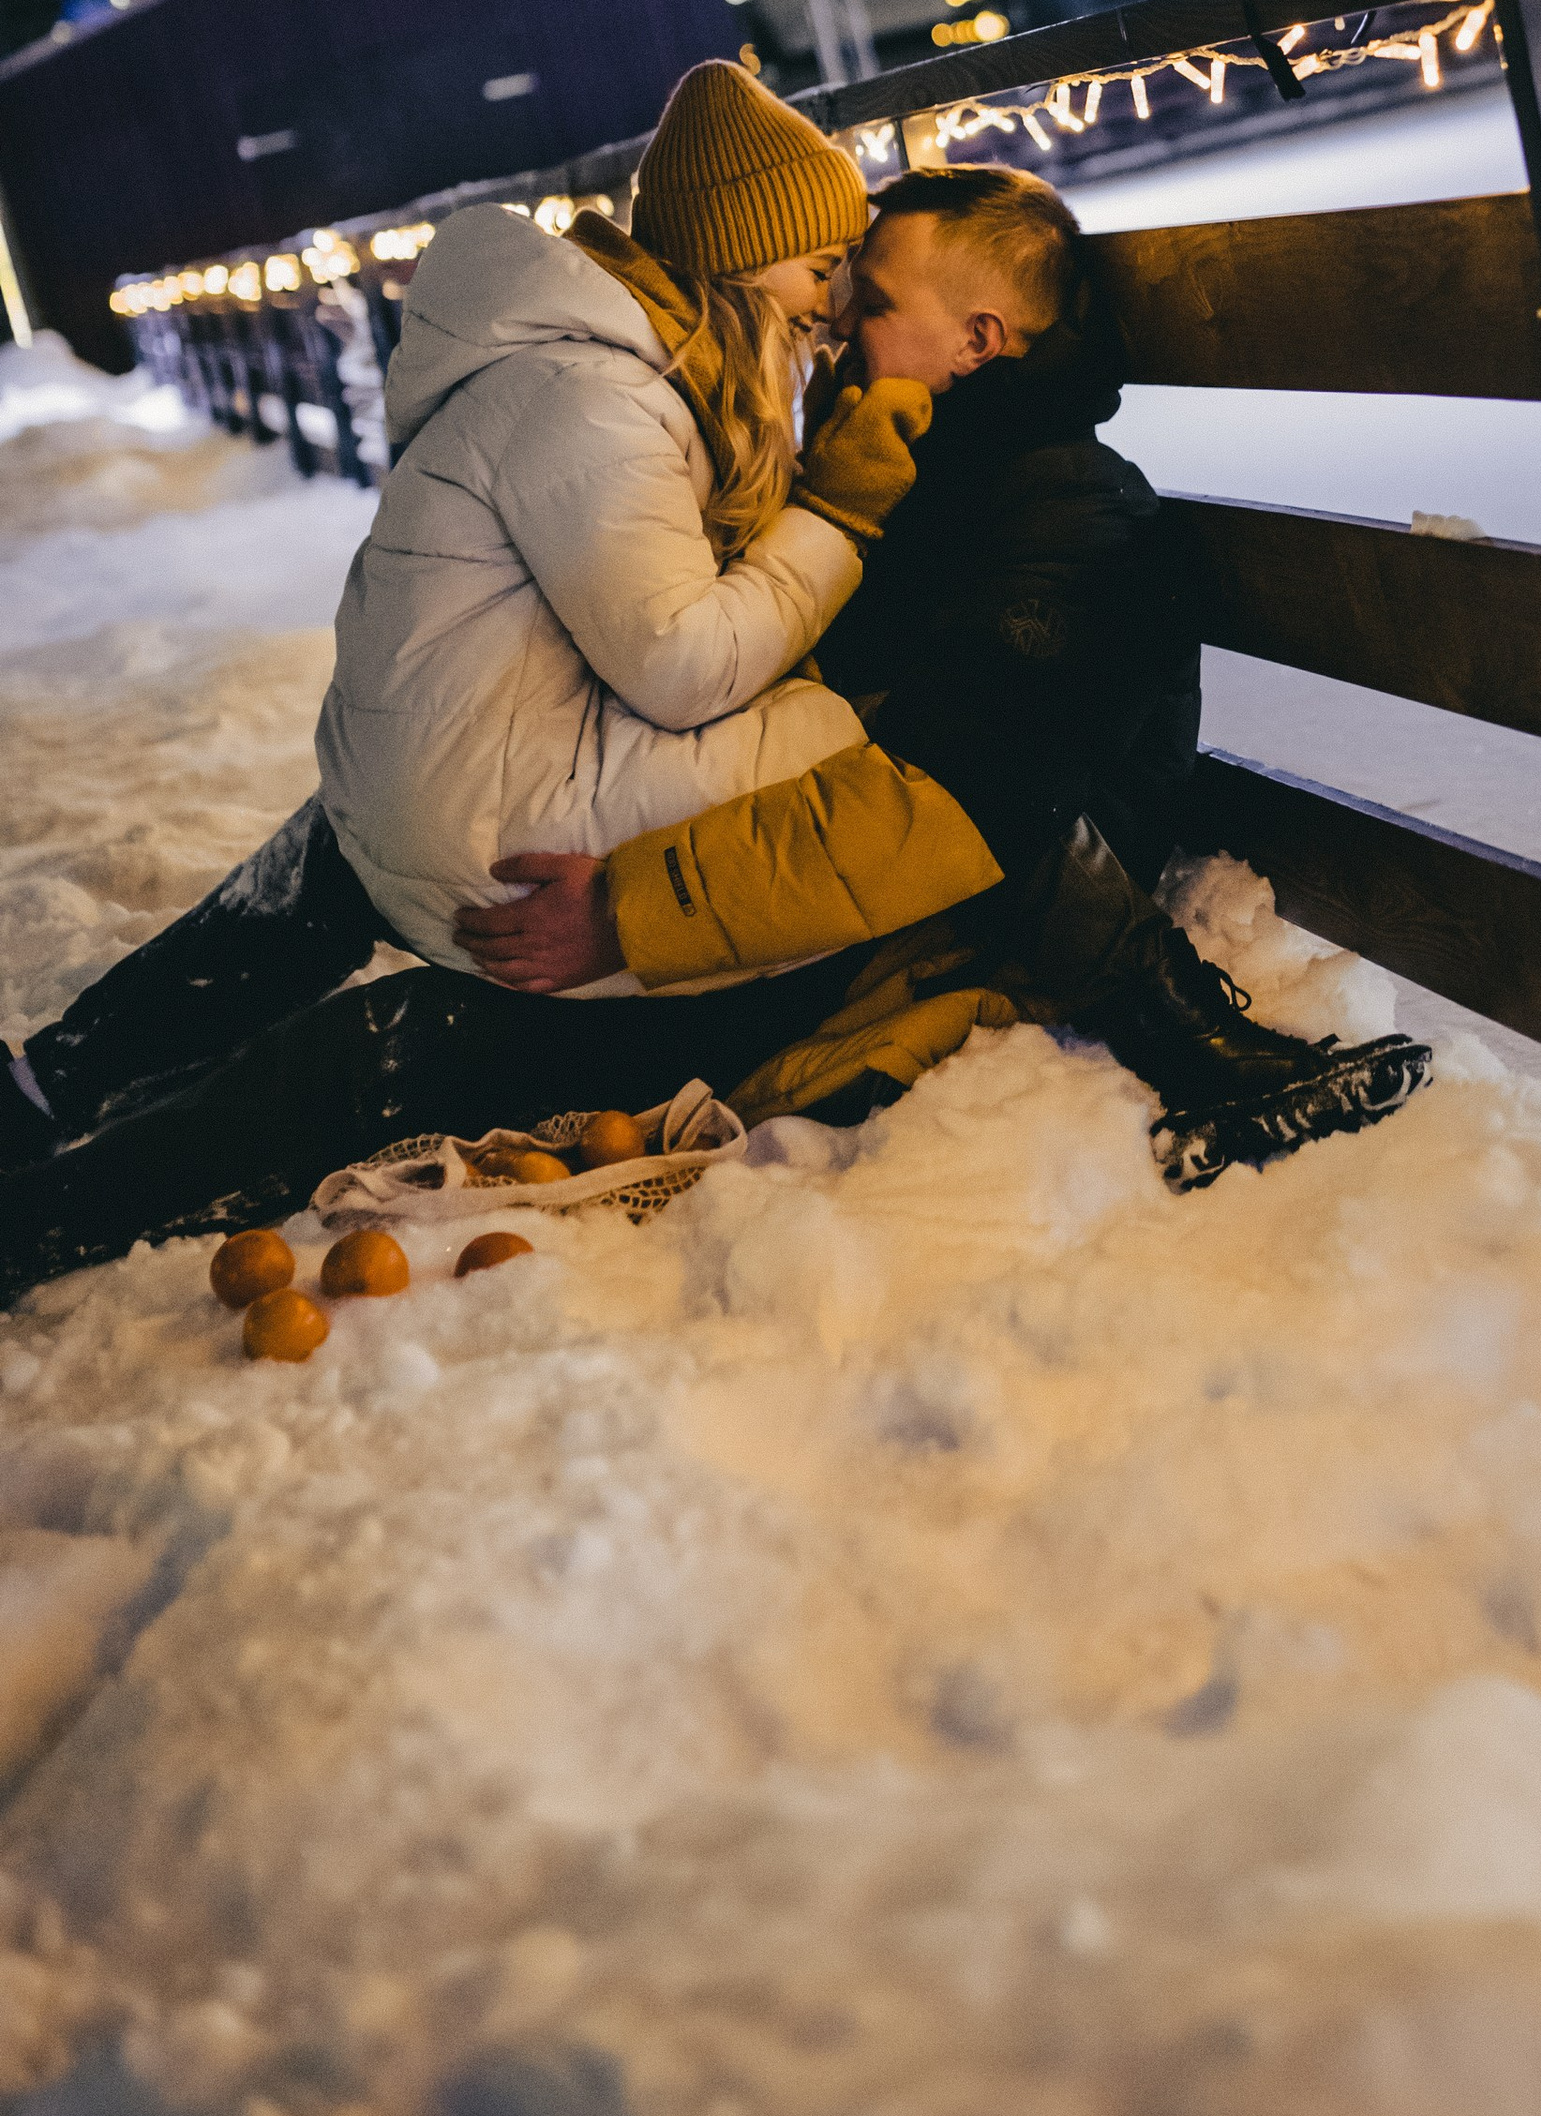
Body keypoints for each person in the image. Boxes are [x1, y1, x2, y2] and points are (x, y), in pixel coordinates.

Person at [0, 155, 1429, 1297]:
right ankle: (55, 1082)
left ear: (980, 341)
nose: (829, 323)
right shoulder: (903, 471)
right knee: (348, 849)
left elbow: (943, 820)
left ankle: (54, 1212)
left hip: (891, 923)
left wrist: (629, 907)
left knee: (424, 1036)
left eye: (867, 302)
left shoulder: (1062, 526)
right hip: (779, 868)